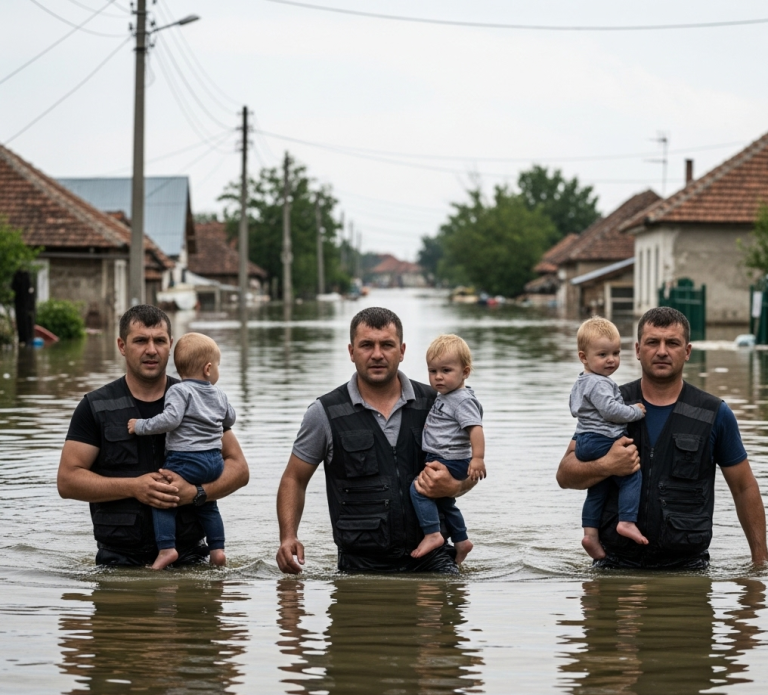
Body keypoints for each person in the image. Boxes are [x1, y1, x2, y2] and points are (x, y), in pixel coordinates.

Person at [557, 307, 767, 569]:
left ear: (687, 351)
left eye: (673, 343)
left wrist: (760, 566)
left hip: (687, 568)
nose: (662, 351)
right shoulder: (607, 403)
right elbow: (564, 475)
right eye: (652, 342)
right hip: (614, 567)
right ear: (637, 349)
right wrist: (606, 465)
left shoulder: (714, 414)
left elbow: (744, 488)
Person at [275, 307, 476, 574]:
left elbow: (470, 468)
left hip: (432, 559)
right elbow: (294, 479)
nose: (377, 354)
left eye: (387, 345)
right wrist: (288, 537)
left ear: (402, 351)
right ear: (351, 352)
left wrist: (453, 486)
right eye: (367, 345)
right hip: (358, 565)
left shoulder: (437, 404)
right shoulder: (325, 413)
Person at [58, 305, 249, 567]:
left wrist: (196, 493)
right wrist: (134, 487)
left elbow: (239, 469)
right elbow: (67, 481)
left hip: (191, 560)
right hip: (118, 563)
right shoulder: (95, 406)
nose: (151, 350)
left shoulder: (199, 398)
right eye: (140, 341)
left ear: (170, 345)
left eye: (159, 340)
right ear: (122, 346)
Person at [127, 332, 235, 570]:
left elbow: (170, 419)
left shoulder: (179, 391)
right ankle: (218, 550)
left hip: (186, 459)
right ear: (208, 369)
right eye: (218, 366)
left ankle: (166, 549)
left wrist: (141, 425)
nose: (218, 371)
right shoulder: (219, 394)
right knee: (209, 505)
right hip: (214, 461)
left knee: (163, 498)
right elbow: (230, 418)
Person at [570, 317, 647, 560]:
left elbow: (575, 410)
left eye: (616, 352)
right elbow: (611, 411)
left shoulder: (581, 382)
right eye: (603, 354)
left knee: (597, 489)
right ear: (584, 357)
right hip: (602, 440)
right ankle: (626, 521)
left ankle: (590, 535)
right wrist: (636, 411)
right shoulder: (600, 383)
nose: (611, 359)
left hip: (584, 440)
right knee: (631, 475)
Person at [409, 334, 485, 564]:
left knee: (418, 489)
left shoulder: (461, 399)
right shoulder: (447, 396)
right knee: (445, 501)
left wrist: (478, 459)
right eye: (433, 371)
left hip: (451, 459)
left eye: (446, 371)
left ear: (465, 372)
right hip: (445, 456)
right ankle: (462, 541)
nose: (438, 377)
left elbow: (475, 429)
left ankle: (433, 535)